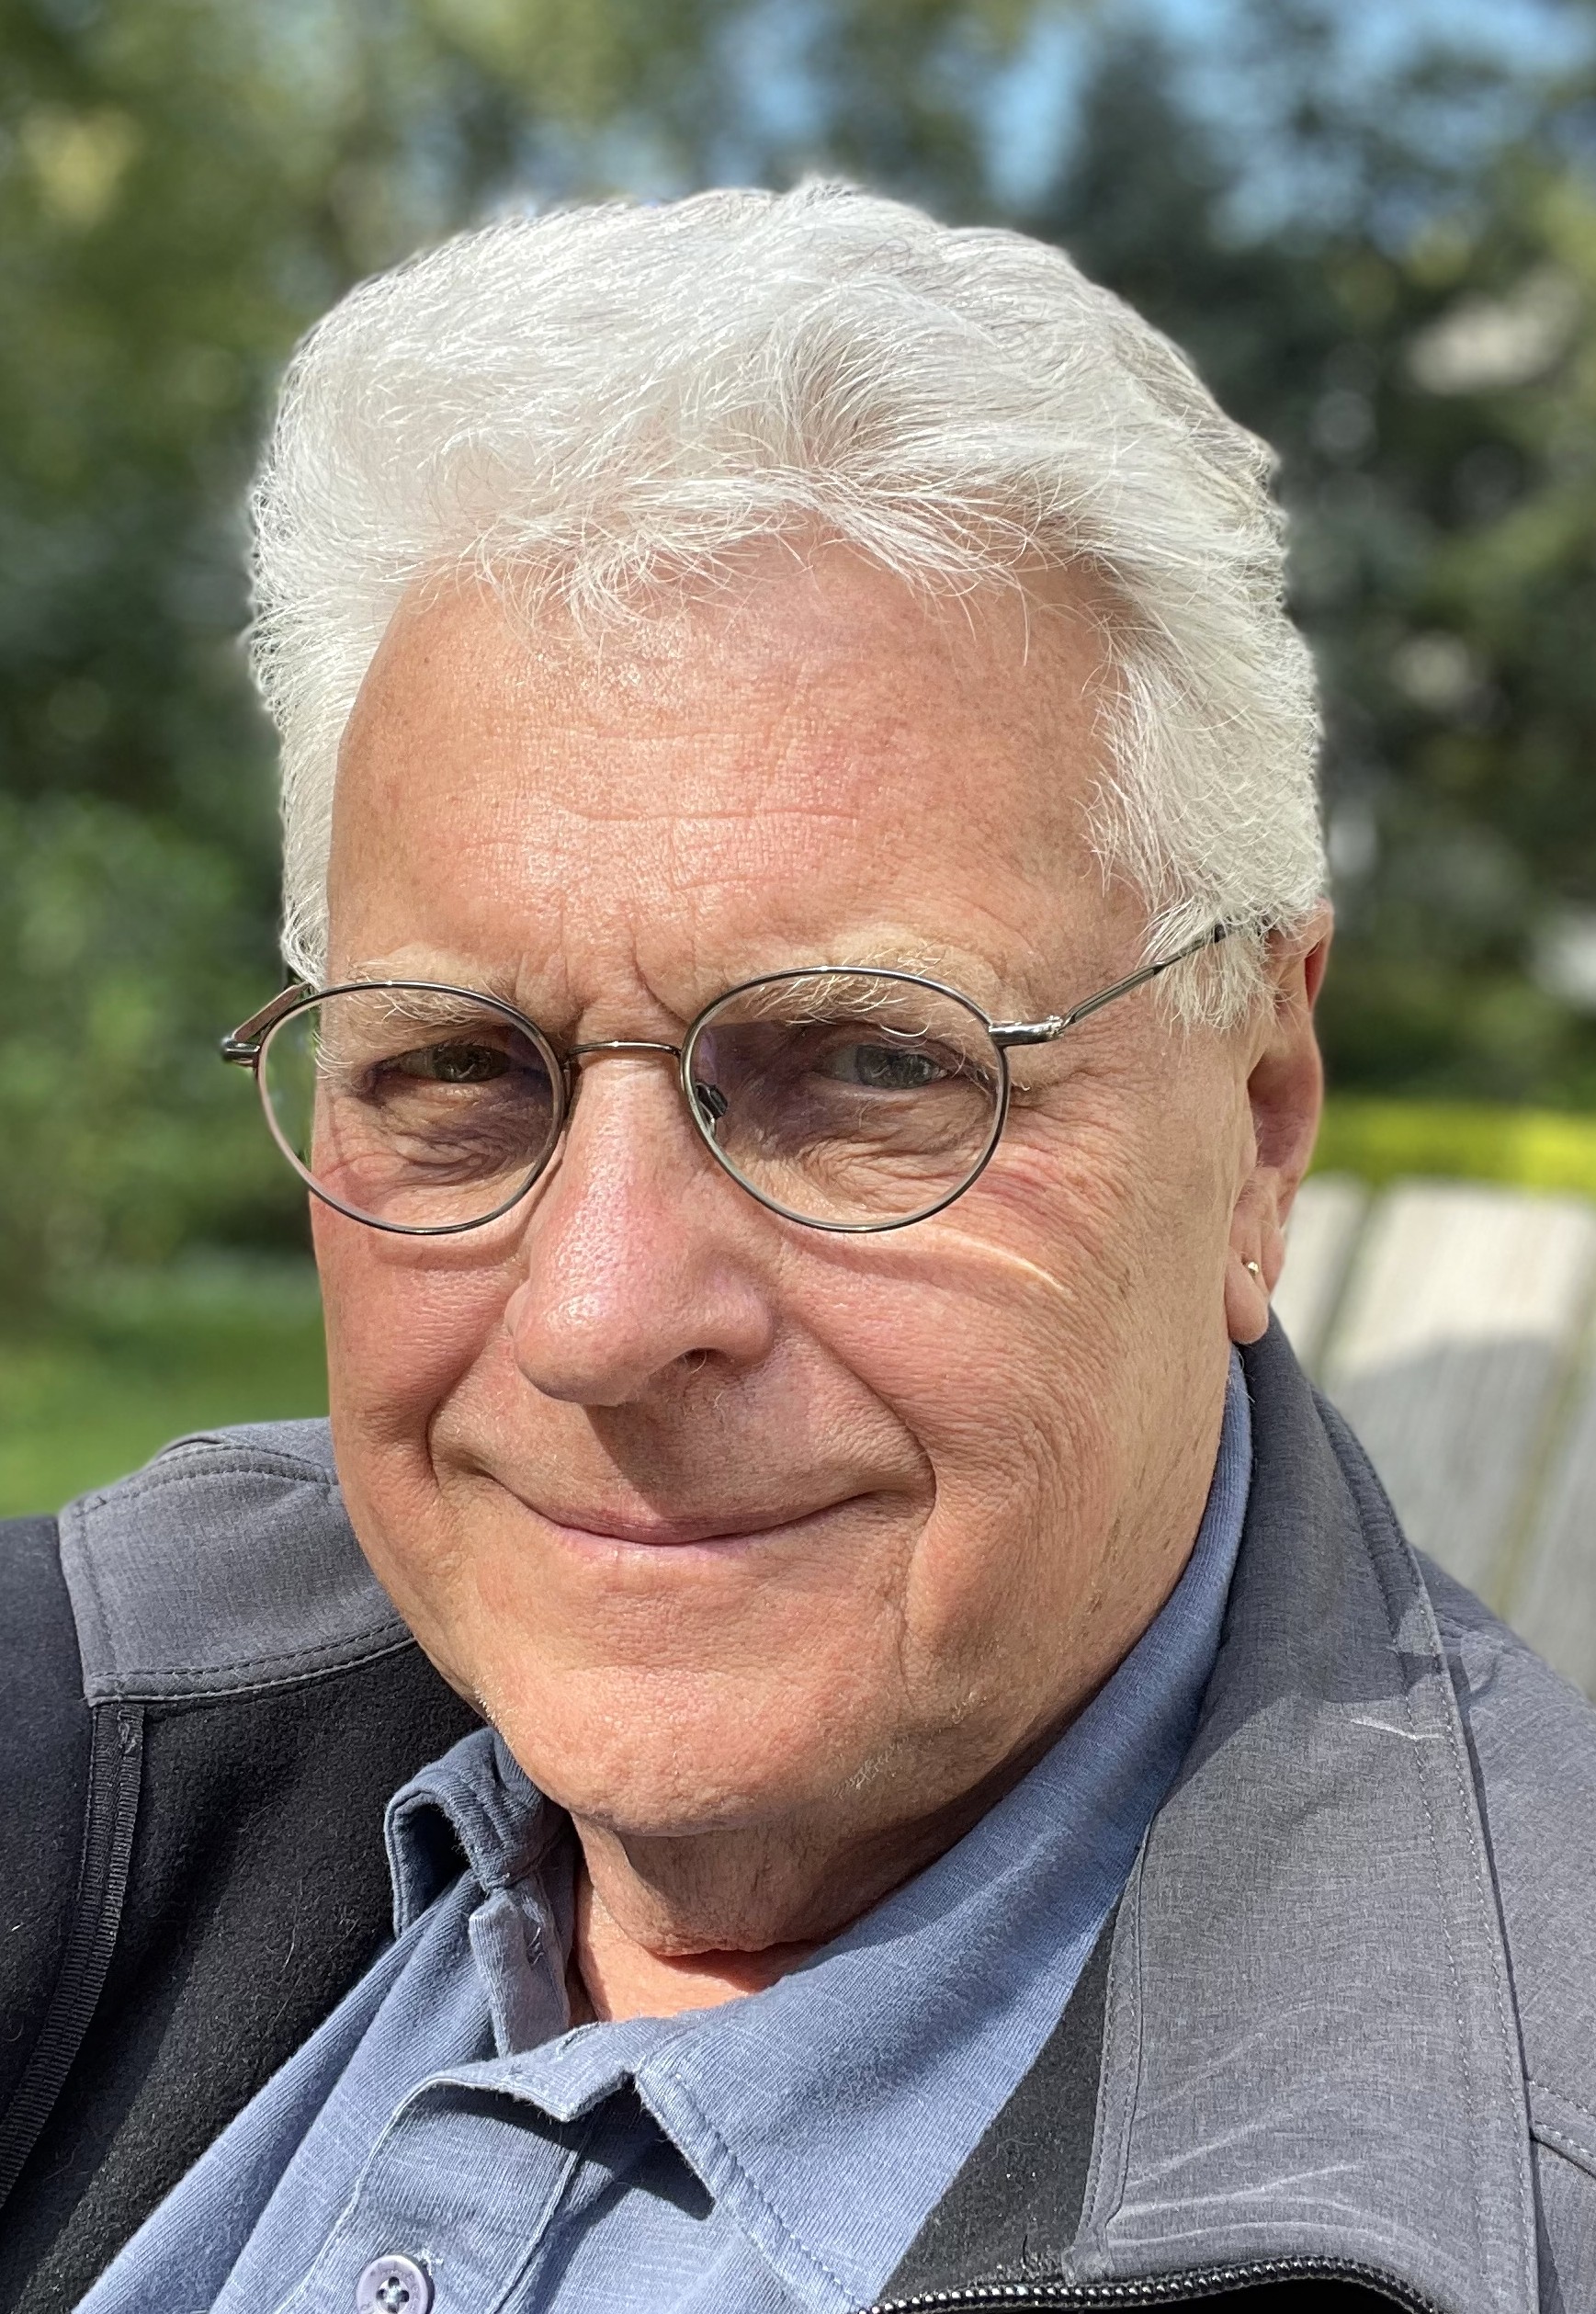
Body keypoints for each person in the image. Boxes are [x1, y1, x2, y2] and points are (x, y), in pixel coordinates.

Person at [1, 184, 1590, 2314]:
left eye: (862, 1063)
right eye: (455, 1063)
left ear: (1253, 1122)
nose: (597, 1314)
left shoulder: (1498, 2200)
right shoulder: (98, 1698)